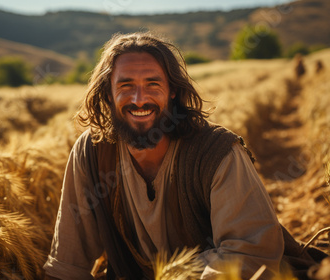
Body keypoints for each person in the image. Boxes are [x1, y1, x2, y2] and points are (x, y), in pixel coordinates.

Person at [44, 32, 288, 280]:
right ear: (108, 93)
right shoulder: (91, 153)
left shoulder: (216, 154)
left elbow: (250, 253)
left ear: (172, 91)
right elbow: (67, 263)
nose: (140, 100)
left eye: (153, 84)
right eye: (126, 85)